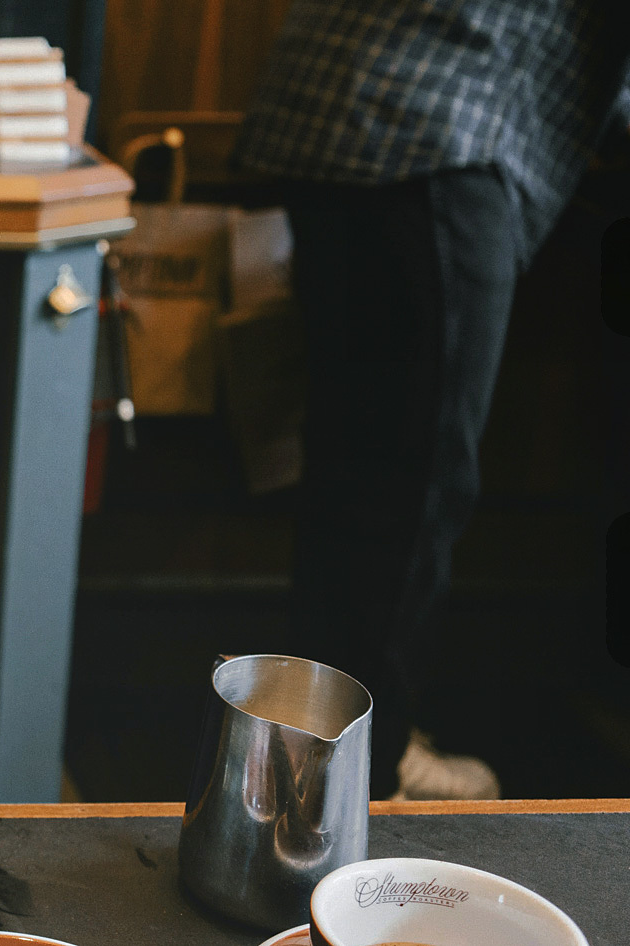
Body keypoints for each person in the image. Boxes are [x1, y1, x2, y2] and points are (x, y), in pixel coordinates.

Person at [235, 0, 630, 798]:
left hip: (342, 101)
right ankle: (367, 781)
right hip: (437, 120)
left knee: (355, 473)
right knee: (411, 488)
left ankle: (320, 763)